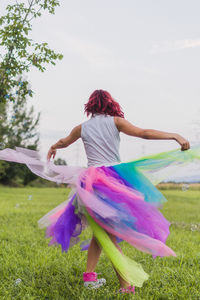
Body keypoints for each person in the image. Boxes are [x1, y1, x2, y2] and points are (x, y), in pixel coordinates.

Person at [0, 89, 196, 295]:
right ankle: (126, 286)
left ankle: (90, 277)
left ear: (90, 107)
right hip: (111, 182)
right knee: (108, 235)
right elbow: (143, 133)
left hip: (89, 184)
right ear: (111, 104)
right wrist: (174, 135)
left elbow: (64, 142)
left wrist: (53, 147)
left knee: (100, 232)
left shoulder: (82, 128)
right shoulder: (116, 121)